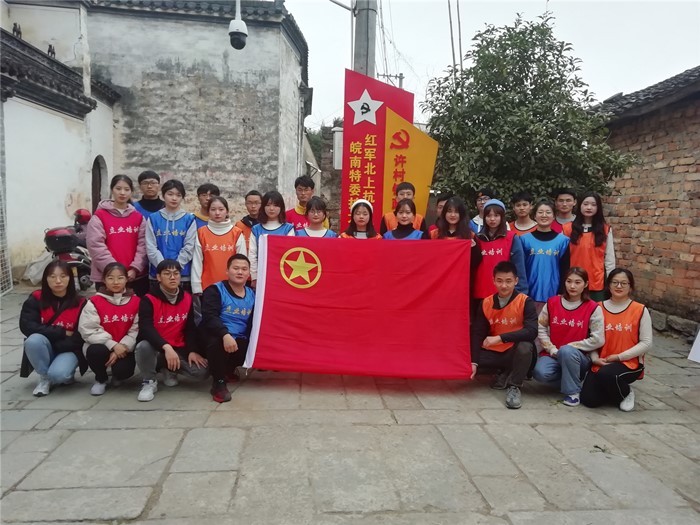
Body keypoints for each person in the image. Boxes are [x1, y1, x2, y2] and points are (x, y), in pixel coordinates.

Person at [135, 260, 208, 402]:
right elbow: (146, 328)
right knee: (143, 346)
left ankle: (168, 369)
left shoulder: (187, 298)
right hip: (156, 347)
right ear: (158, 277)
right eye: (167, 274)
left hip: (177, 347)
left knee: (201, 372)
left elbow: (190, 328)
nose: (172, 277)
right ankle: (149, 381)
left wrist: (192, 350)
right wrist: (166, 347)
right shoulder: (148, 299)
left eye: (176, 273)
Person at [532, 267, 604, 407]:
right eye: (569, 281)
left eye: (577, 282)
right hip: (554, 354)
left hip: (579, 358)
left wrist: (570, 347)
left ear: (586, 284)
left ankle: (573, 392)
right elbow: (541, 328)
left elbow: (598, 339)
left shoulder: (593, 308)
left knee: (567, 351)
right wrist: (552, 349)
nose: (572, 286)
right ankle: (571, 380)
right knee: (539, 373)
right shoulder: (552, 303)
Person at [581, 269, 651, 411]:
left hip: (628, 362)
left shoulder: (639, 310)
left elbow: (646, 342)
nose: (619, 286)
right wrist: (595, 359)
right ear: (609, 285)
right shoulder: (598, 307)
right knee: (589, 400)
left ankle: (626, 393)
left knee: (607, 374)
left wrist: (619, 357)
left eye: (624, 283)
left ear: (630, 287)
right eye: (615, 282)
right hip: (602, 361)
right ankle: (612, 388)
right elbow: (591, 338)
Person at [471, 261, 538, 409]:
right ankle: (504, 372)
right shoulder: (486, 303)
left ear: (516, 281)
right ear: (493, 280)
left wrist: (500, 338)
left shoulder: (525, 301)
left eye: (508, 281)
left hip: (515, 351)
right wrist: (473, 363)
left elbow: (532, 331)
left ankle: (514, 386)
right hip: (495, 351)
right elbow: (477, 333)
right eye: (499, 281)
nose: (504, 285)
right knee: (469, 357)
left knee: (525, 347)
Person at [19, 260, 87, 396]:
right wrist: (62, 332)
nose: (58, 281)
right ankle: (44, 378)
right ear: (46, 279)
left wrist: (58, 343)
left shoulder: (81, 302)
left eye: (63, 276)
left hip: (68, 349)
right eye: (52, 276)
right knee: (33, 340)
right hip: (44, 346)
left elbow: (81, 335)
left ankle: (63, 373)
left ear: (70, 278)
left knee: (59, 376)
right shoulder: (36, 298)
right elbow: (28, 326)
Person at [79, 263, 140, 396]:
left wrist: (123, 346)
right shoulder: (94, 301)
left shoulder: (136, 301)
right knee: (95, 351)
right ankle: (101, 379)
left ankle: (117, 376)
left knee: (124, 370)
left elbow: (136, 330)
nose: (116, 282)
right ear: (104, 280)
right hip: (101, 345)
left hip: (125, 348)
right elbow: (89, 329)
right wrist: (112, 345)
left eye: (120, 278)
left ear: (126, 279)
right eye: (111, 278)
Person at [201, 254, 255, 403]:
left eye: (244, 269)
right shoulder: (215, 290)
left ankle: (228, 370)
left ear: (249, 273)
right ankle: (218, 383)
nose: (240, 272)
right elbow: (209, 317)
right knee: (218, 342)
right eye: (236, 268)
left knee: (254, 346)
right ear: (227, 271)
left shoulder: (252, 294)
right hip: (217, 336)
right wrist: (224, 334)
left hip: (240, 339)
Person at [87, 174, 148, 296]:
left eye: (126, 189)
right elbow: (96, 246)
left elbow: (143, 245)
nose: (122, 193)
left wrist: (135, 268)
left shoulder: (138, 217)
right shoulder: (99, 216)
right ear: (112, 190)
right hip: (107, 278)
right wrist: (115, 273)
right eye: (118, 188)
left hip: (134, 277)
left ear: (131, 192)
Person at [562, 191, 615, 301]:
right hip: (573, 281)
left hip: (596, 281)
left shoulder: (605, 230)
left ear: (598, 208)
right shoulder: (567, 229)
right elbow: (561, 257)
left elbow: (609, 259)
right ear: (579, 205)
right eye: (585, 204)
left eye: (593, 205)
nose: (589, 207)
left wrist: (611, 281)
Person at [145, 179, 197, 291]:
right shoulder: (153, 218)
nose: (174, 198)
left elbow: (189, 246)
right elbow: (151, 246)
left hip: (182, 275)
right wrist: (163, 269)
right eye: (170, 194)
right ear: (163, 195)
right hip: (157, 275)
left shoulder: (189, 219)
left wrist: (175, 269)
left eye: (178, 195)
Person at [519, 200, 570, 309]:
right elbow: (520, 268)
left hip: (554, 292)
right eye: (540, 212)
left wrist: (562, 291)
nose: (544, 215)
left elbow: (565, 269)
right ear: (534, 216)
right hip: (528, 293)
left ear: (554, 216)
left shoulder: (563, 241)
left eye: (548, 212)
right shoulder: (524, 239)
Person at [472, 199, 528, 300]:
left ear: (502, 217)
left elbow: (519, 267)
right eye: (488, 216)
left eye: (496, 215)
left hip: (505, 292)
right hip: (481, 292)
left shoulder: (512, 238)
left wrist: (521, 292)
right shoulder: (477, 238)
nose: (492, 219)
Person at [191, 196, 246, 295]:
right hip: (207, 287)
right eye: (213, 209)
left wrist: (240, 284)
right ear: (208, 212)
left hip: (232, 287)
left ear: (227, 211)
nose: (217, 213)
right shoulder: (201, 233)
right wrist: (196, 287)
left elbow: (242, 262)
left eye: (221, 209)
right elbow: (197, 262)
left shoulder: (236, 233)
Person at [248, 191, 295, 284]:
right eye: (268, 205)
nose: (271, 208)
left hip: (283, 274)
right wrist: (254, 276)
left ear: (281, 207)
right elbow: (252, 255)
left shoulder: (288, 229)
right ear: (263, 207)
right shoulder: (256, 229)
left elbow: (291, 254)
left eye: (275, 205)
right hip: (262, 274)